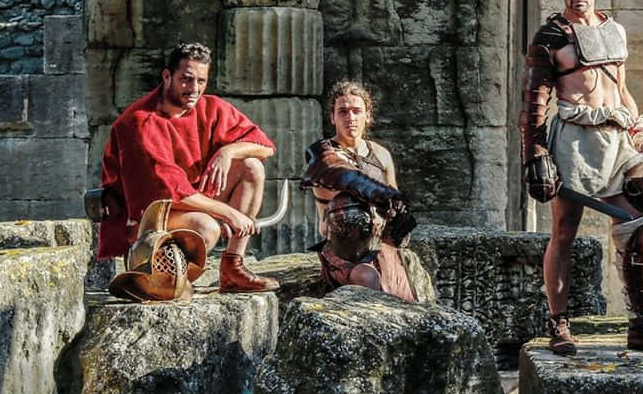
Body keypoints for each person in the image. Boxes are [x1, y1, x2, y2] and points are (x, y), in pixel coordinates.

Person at [521, 0, 643, 355]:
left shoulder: (614, 31)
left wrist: (640, 131)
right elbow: (533, 107)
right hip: (574, 140)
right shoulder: (550, 37)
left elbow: (621, 91)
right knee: (564, 232)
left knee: (636, 222)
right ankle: (559, 325)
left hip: (617, 140)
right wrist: (535, 154)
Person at [95, 41, 279, 292]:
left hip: (190, 203)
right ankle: (164, 279)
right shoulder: (139, 122)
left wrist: (228, 151)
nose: (194, 89)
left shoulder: (211, 108)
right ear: (167, 76)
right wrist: (229, 213)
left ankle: (232, 267)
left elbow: (265, 146)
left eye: (201, 81)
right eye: (186, 79)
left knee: (251, 166)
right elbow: (167, 190)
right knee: (206, 227)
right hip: (145, 216)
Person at [303, 80, 417, 302]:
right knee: (367, 278)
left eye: (357, 111)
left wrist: (395, 215)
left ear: (367, 115)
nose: (350, 118)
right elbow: (344, 183)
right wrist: (382, 203)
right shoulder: (322, 155)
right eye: (343, 111)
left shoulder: (381, 155)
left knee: (403, 297)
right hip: (344, 250)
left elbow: (398, 203)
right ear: (332, 117)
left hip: (381, 244)